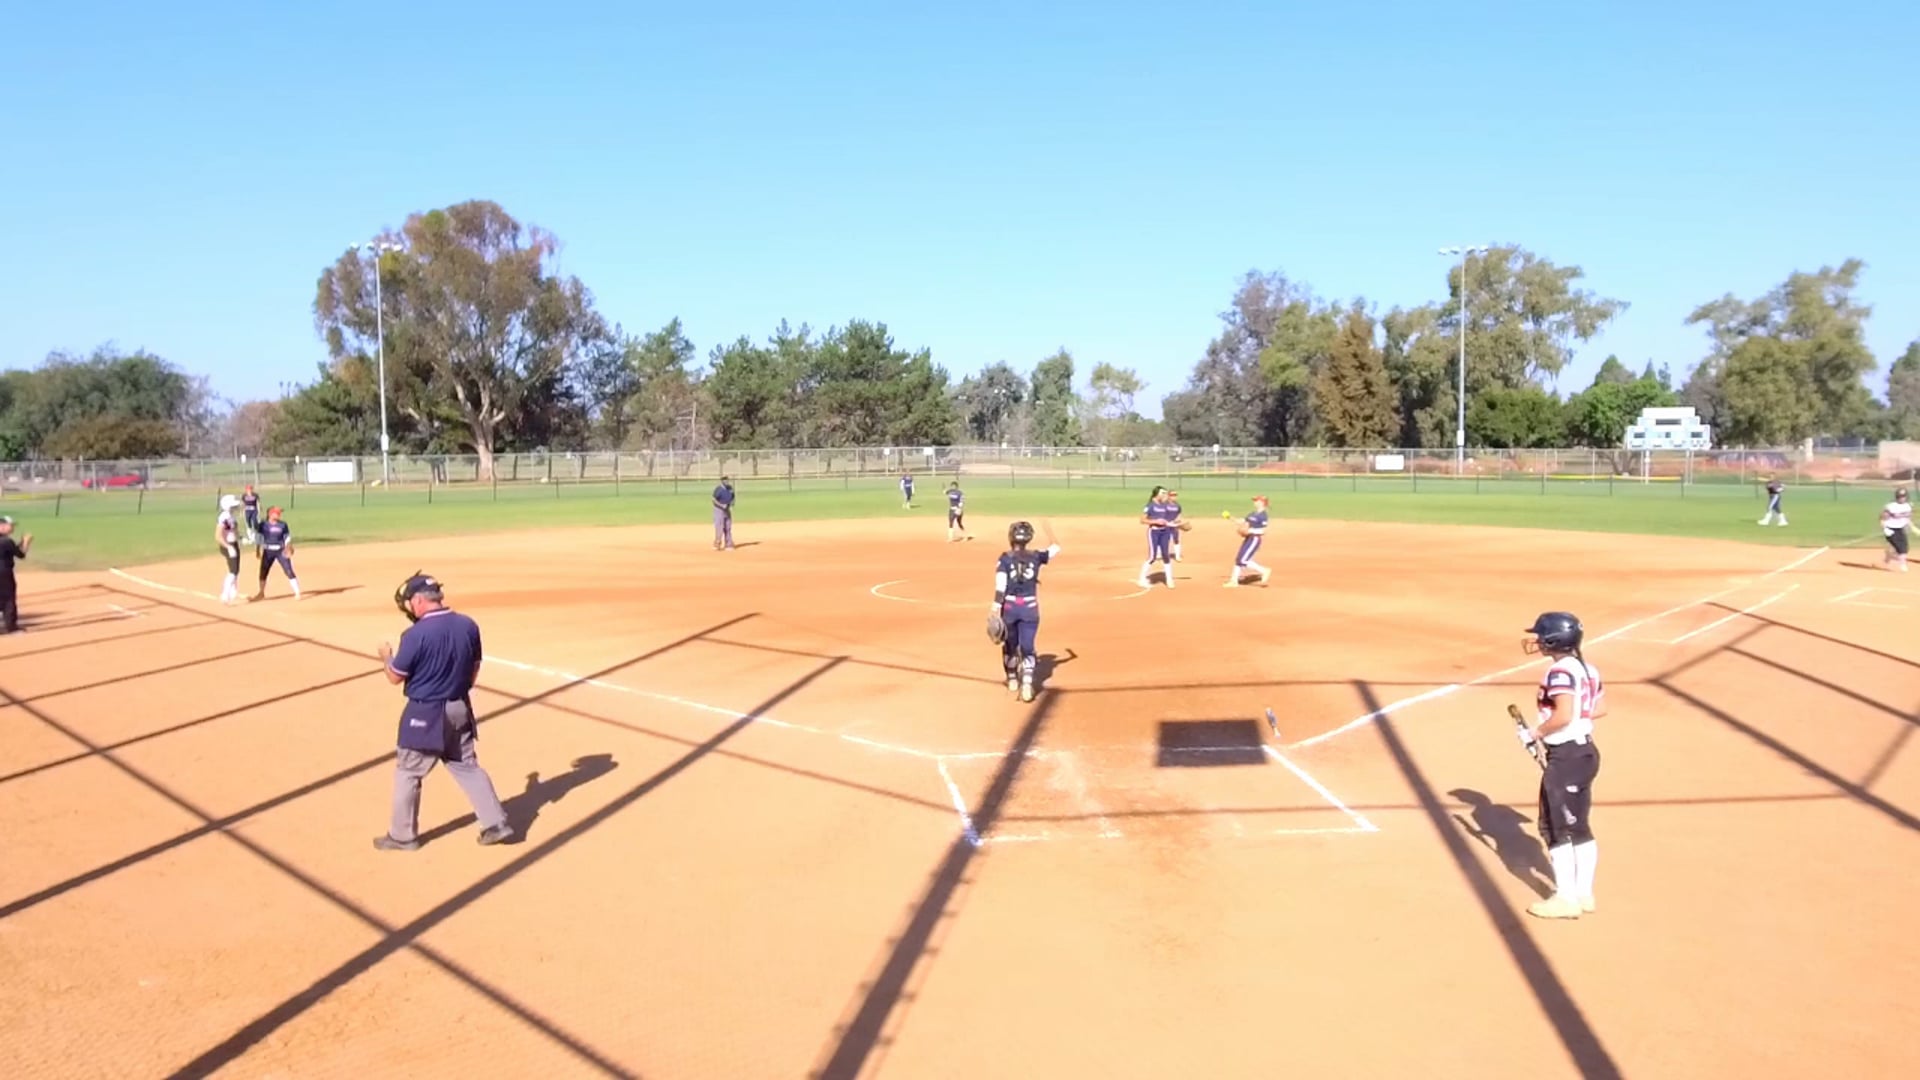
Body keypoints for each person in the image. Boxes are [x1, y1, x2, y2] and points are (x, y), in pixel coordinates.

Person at [374, 572, 513, 850]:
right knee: (466, 766)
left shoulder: (415, 635)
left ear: (418, 600)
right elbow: (474, 668)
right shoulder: (468, 625)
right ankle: (496, 823)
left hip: (424, 714)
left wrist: (386, 657)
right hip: (459, 707)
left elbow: (395, 676)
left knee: (408, 772)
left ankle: (402, 837)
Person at [1517, 612, 1605, 919]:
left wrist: (1536, 733)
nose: (1538, 641)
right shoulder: (1587, 669)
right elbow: (1598, 708)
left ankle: (1566, 898)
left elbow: (1564, 714)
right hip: (1585, 753)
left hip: (1566, 757)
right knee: (1578, 826)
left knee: (1555, 828)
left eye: (1542, 636)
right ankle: (1583, 894)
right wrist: (1572, 725)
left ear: (1554, 640)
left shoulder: (1559, 672)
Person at [992, 521, 1060, 702]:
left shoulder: (1005, 558)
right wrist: (1050, 531)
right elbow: (1055, 548)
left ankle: (1012, 679)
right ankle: (1027, 683)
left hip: (1009, 609)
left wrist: (995, 608)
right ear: (1029, 538)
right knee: (1028, 647)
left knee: (1010, 645)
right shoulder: (1036, 556)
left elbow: (1000, 586)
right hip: (1030, 608)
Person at [251, 506, 302, 601]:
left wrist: (289, 546)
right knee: (263, 572)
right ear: (270, 514)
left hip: (280, 550)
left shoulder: (283, 525)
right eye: (277, 513)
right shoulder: (263, 525)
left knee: (288, 570)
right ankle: (261, 593)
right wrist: (257, 550)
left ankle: (297, 592)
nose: (279, 515)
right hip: (268, 551)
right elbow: (259, 538)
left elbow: (287, 537)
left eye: (279, 513)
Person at [1136, 486, 1183, 589]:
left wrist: (1177, 525)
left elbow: (1166, 521)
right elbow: (1142, 520)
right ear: (1157, 494)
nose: (1165, 495)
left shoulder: (1164, 506)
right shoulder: (1150, 506)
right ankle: (1141, 579)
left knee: (1166, 555)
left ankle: (1169, 580)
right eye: (1163, 493)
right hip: (1154, 532)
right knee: (1152, 557)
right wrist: (1155, 521)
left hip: (1165, 532)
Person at [1225, 495, 1273, 587]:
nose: (1254, 502)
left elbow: (1263, 531)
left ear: (1262, 503)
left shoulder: (1263, 516)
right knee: (1239, 559)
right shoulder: (1253, 513)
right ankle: (1234, 581)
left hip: (1255, 539)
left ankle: (1264, 571)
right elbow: (1242, 521)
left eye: (1256, 501)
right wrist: (1229, 517)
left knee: (1243, 560)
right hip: (1248, 538)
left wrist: (1249, 531)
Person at [0, 516, 33, 634]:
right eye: (10, 525)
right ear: (1, 526)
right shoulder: (6, 541)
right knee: (9, 599)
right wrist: (26, 542)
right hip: (3, 573)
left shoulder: (7, 542)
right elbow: (21, 554)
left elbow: (12, 550)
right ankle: (11, 627)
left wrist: (20, 543)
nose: (13, 527)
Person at [214, 495, 243, 605]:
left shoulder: (232, 517)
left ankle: (233, 592)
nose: (236, 507)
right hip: (227, 545)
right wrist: (228, 547)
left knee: (236, 569)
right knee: (233, 571)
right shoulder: (224, 517)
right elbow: (218, 536)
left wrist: (241, 538)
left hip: (234, 544)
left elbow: (235, 530)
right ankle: (225, 594)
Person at [1881, 488, 1912, 572]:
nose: (1902, 498)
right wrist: (1885, 529)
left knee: (1904, 547)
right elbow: (1882, 518)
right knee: (1900, 548)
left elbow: (1908, 517)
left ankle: (1889, 556)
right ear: (1897, 496)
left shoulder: (1907, 506)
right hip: (1890, 529)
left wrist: (1908, 525)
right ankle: (1902, 564)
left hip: (1900, 529)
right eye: (1900, 496)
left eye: (1904, 496)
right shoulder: (1891, 506)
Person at [712, 476, 735, 551]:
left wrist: (732, 503)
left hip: (727, 509)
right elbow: (713, 500)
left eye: (727, 480)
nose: (726, 481)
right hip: (719, 510)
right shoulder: (718, 489)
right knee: (719, 527)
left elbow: (733, 497)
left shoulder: (730, 488)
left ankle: (729, 544)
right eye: (724, 480)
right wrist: (721, 505)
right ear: (721, 481)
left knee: (728, 527)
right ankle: (717, 544)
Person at [1167, 490, 1185, 561]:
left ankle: (1177, 556)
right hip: (1166, 525)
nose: (1174, 497)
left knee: (1176, 539)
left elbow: (1179, 514)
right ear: (1168, 496)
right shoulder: (1164, 505)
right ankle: (1159, 554)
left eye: (1175, 495)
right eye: (1172, 495)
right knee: (1164, 539)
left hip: (1174, 525)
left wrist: (1177, 521)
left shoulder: (1177, 505)